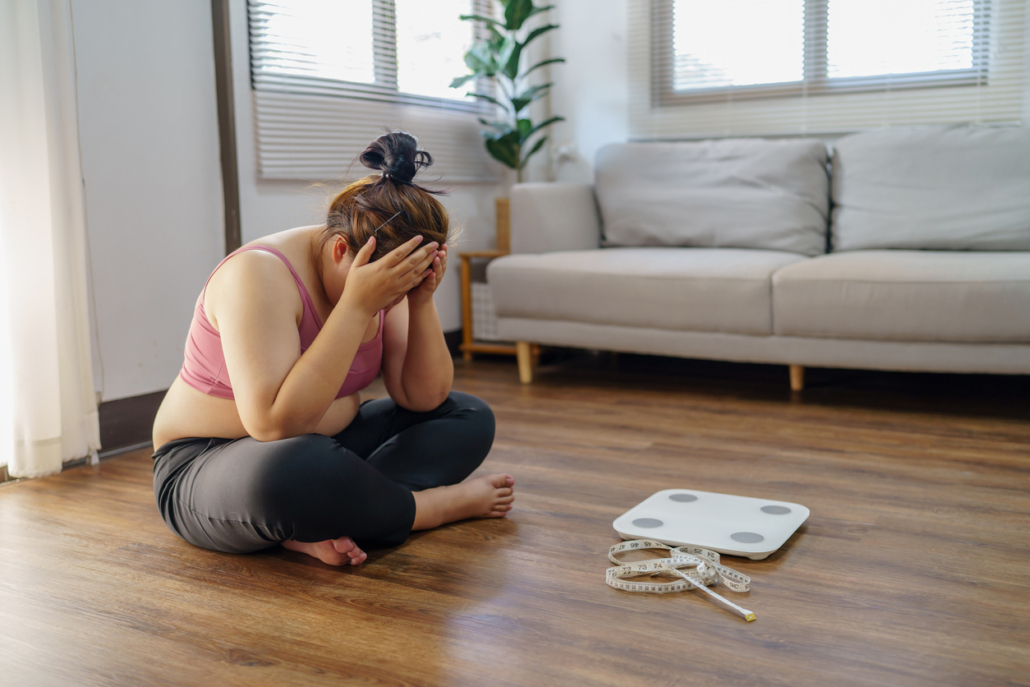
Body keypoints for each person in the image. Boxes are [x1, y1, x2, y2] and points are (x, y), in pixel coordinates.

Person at [150, 131, 514, 566]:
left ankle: (326, 517)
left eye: (406, 283)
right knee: (298, 467)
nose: (392, 298)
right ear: (342, 250)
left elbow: (423, 397)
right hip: (209, 465)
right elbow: (272, 425)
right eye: (394, 287)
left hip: (328, 445)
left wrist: (420, 301)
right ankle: (425, 509)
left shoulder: (387, 274)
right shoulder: (257, 276)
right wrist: (358, 305)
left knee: (466, 415)